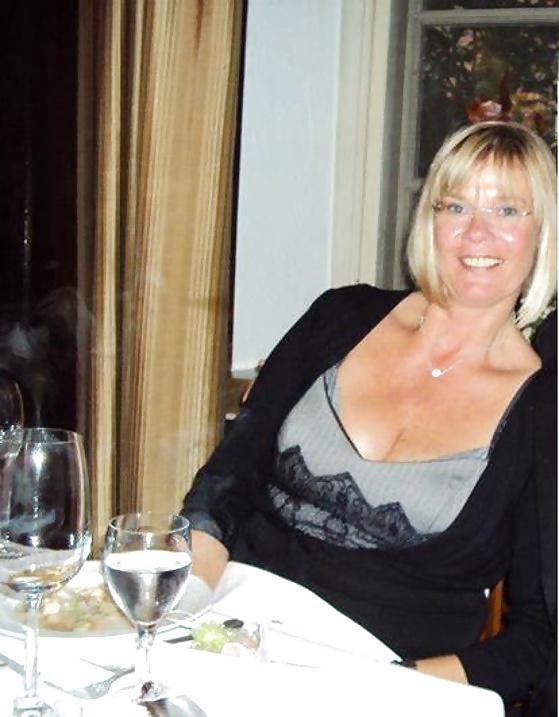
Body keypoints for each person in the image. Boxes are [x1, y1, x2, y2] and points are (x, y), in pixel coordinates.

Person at [181, 121, 556, 707]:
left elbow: (541, 637)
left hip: (379, 681)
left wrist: (382, 688)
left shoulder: (542, 411)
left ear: (542, 231)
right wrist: (184, 613)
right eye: (456, 205)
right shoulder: (339, 316)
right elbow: (225, 485)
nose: (476, 232)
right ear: (430, 219)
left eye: (507, 210)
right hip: (230, 634)